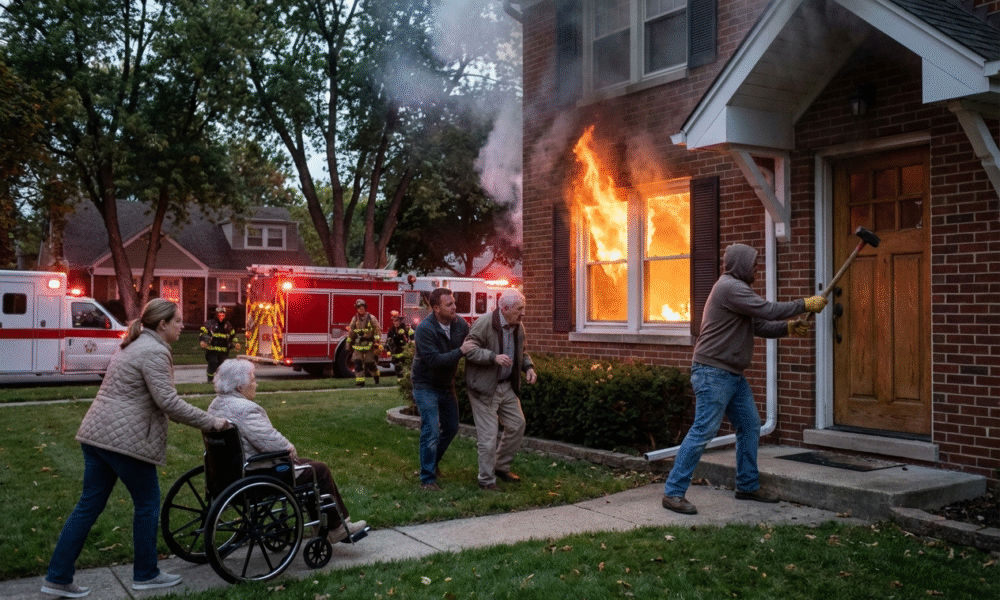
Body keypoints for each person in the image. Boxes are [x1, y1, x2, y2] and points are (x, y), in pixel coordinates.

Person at [42, 299, 231, 599]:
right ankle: (146, 574)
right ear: (162, 324)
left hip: (97, 434)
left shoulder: (133, 344)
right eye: (179, 321)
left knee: (88, 505)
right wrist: (212, 422)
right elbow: (168, 402)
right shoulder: (155, 351)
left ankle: (58, 576)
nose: (184, 326)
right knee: (147, 502)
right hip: (123, 441)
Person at [661, 243, 827, 515]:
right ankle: (673, 493)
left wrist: (788, 328)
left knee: (750, 426)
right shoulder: (730, 287)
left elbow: (759, 325)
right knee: (703, 430)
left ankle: (747, 485)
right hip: (713, 372)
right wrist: (804, 304)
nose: (757, 268)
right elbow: (768, 310)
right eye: (754, 263)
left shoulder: (738, 291)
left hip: (732, 375)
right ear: (740, 265)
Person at [207, 359, 367, 542]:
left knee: (308, 468)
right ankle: (337, 527)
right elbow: (270, 442)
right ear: (239, 387)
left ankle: (325, 526)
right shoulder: (245, 410)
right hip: (257, 473)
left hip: (226, 473)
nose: (255, 384)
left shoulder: (215, 405)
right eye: (252, 380)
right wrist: (289, 448)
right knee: (318, 470)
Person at [464, 289, 537, 491]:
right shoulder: (485, 323)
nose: (523, 314)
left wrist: (528, 368)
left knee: (517, 424)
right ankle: (486, 480)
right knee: (488, 437)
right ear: (505, 308)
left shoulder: (518, 326)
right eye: (520, 309)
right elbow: (468, 349)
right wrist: (492, 357)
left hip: (507, 387)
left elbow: (522, 351)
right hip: (484, 388)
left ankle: (500, 467)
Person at [410, 288, 476, 491]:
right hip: (425, 384)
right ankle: (427, 479)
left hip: (446, 385)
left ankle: (431, 463)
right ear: (436, 308)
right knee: (430, 428)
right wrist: (461, 351)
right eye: (449, 304)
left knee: (451, 427)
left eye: (454, 302)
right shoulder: (425, 329)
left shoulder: (460, 324)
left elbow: (476, 339)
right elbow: (434, 360)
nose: (455, 307)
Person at [199, 306, 240, 383]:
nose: (221, 316)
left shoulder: (228, 325)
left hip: (223, 351)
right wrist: (203, 341)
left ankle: (221, 381)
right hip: (212, 350)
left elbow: (232, 336)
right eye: (220, 314)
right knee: (213, 363)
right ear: (216, 314)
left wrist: (236, 343)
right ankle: (210, 380)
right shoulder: (210, 324)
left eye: (223, 314)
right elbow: (203, 332)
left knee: (223, 366)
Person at [346, 299, 381, 387]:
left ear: (365, 308)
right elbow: (351, 332)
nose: (361, 309)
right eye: (359, 308)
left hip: (369, 345)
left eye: (362, 308)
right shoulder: (355, 319)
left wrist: (377, 343)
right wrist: (348, 344)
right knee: (358, 364)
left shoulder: (371, 318)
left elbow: (377, 331)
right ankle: (360, 383)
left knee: (370, 364)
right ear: (357, 309)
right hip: (358, 345)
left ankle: (376, 377)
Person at [385, 310, 414, 377]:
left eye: (397, 321)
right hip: (396, 352)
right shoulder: (391, 330)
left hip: (405, 351)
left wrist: (410, 342)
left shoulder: (406, 328)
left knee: (406, 367)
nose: (395, 323)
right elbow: (388, 341)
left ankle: (407, 379)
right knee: (397, 367)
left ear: (400, 321)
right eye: (394, 321)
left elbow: (412, 336)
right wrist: (388, 350)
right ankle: (400, 379)